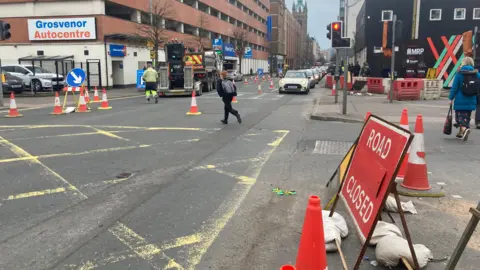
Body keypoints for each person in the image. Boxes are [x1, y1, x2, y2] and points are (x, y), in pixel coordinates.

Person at [449, 57, 480, 140]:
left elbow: (454, 87)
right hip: (472, 99)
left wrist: (450, 98)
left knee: (460, 117)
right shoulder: (476, 74)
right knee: (467, 116)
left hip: (460, 99)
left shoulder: (459, 73)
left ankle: (464, 129)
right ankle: (460, 133)